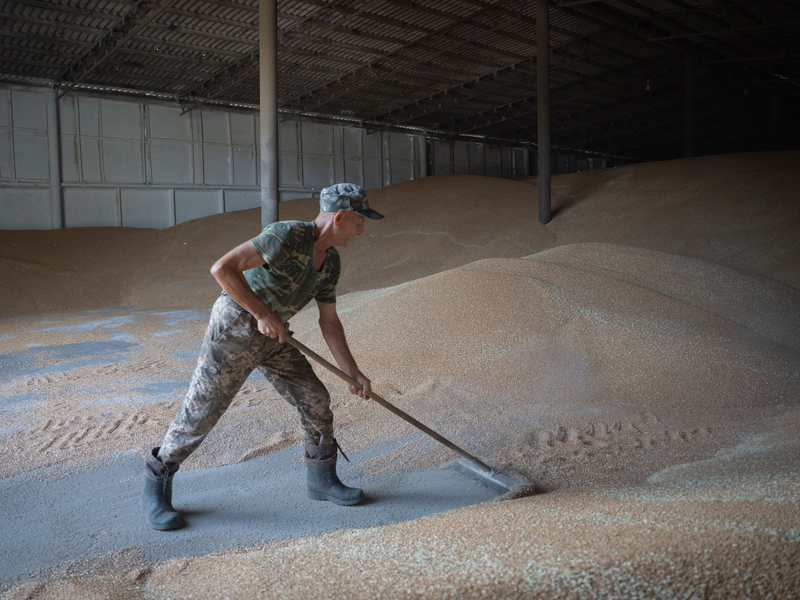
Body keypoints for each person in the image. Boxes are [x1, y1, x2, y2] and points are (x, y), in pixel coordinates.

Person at [142, 183, 384, 530]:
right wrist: (260, 313)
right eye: (360, 221)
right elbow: (223, 269)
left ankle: (322, 480)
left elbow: (329, 321)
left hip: (275, 335)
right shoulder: (286, 235)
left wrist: (353, 373)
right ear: (340, 217)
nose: (362, 229)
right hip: (235, 328)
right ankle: (156, 484)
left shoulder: (330, 263)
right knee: (201, 412)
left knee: (315, 399)